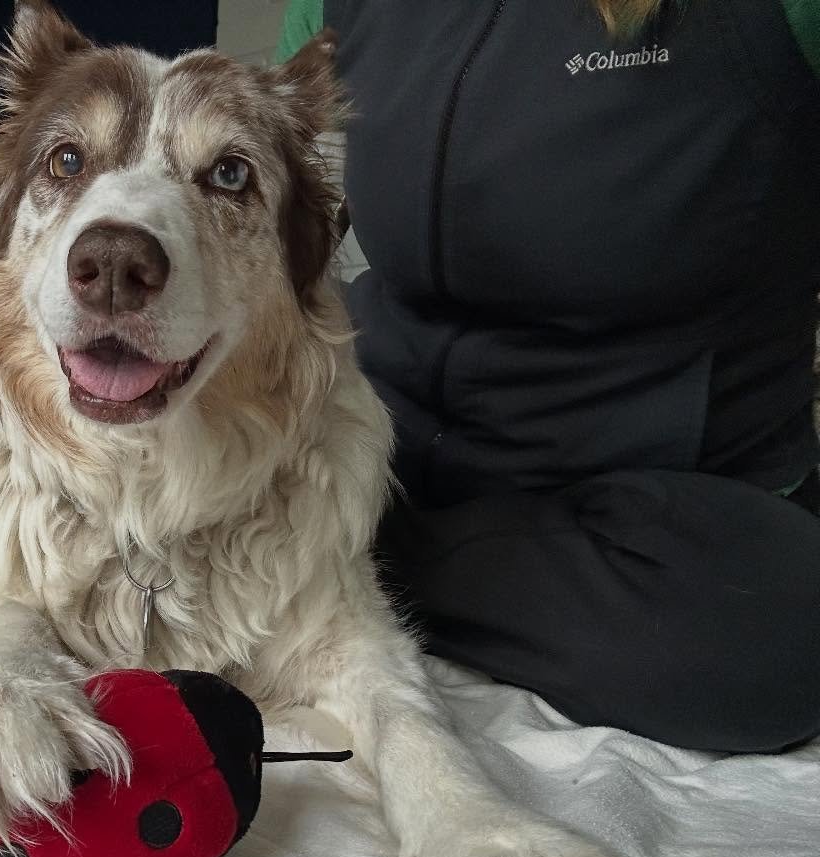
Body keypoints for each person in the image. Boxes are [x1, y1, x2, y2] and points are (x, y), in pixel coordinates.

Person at [276, 0, 820, 752]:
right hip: (374, 428)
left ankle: (351, 556)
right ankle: (348, 549)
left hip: (654, 500)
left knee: (776, 640)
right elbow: (266, 207)